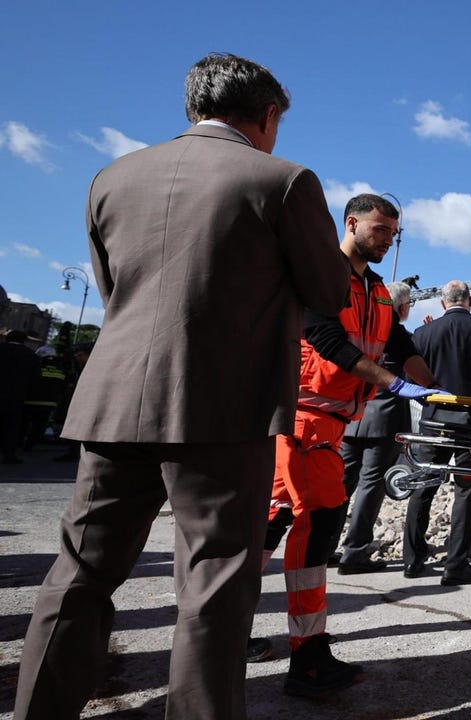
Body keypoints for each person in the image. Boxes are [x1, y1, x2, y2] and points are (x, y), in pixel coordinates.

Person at [14, 53, 350, 720]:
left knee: (78, 577)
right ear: (268, 116)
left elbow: (115, 294)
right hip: (221, 411)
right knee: (215, 587)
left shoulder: (111, 178)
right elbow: (328, 290)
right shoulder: (283, 181)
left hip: (113, 403)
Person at [259, 194, 437, 697]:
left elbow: (399, 345)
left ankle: (228, 629)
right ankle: (306, 657)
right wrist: (395, 385)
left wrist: (438, 390)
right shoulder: (321, 275)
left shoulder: (378, 290)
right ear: (353, 223)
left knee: (271, 526)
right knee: (318, 523)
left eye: (393, 233)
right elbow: (328, 342)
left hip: (327, 429)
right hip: (299, 423)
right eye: (381, 230)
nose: (387, 240)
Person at [403, 280, 471, 584]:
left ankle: (412, 561)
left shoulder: (423, 333)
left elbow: (408, 375)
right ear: (470, 300)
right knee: (466, 491)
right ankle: (456, 565)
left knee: (423, 487)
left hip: (434, 422)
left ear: (442, 303)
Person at [334, 281, 414, 574]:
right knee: (371, 486)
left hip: (353, 417)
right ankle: (354, 553)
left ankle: (325, 546)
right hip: (385, 421)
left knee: (341, 483)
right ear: (402, 308)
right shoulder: (397, 335)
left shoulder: (363, 329)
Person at [0, 330, 39, 464]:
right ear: (24, 341)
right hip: (17, 396)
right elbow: (35, 379)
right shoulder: (31, 355)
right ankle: (9, 454)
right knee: (12, 426)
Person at [23, 345, 68, 450]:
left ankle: (19, 443)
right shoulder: (61, 369)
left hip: (29, 401)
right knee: (39, 425)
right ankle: (30, 444)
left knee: (24, 423)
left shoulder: (35, 366)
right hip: (49, 403)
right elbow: (64, 386)